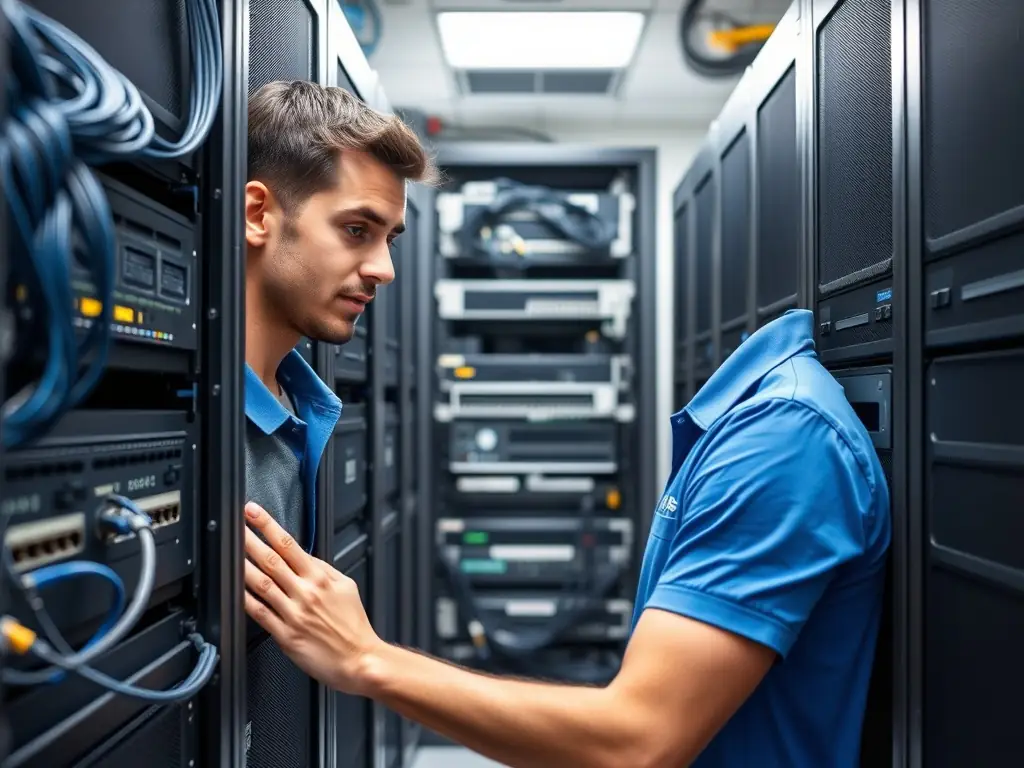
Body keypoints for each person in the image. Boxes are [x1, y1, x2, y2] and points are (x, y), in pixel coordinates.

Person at [243, 313, 891, 764]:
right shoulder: (756, 425)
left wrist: (367, 659)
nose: (384, 269)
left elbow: (638, 740)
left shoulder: (782, 440)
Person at [241, 79, 435, 764]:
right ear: (258, 214)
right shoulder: (202, 436)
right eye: (356, 230)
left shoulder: (312, 405)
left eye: (390, 238)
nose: (383, 268)